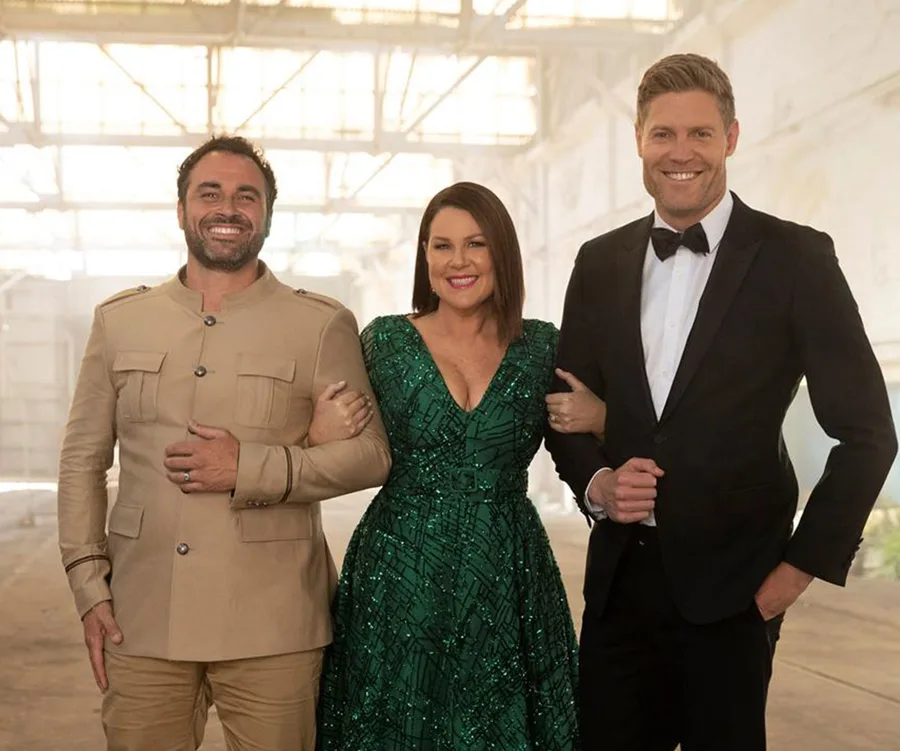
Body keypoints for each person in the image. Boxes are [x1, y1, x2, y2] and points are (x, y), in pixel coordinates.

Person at [545, 53, 898, 751]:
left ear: (732, 137)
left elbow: (868, 432)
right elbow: (565, 412)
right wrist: (597, 481)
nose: (681, 153)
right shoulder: (598, 262)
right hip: (619, 597)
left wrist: (793, 574)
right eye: (663, 134)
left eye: (700, 134)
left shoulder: (796, 259)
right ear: (639, 141)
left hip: (736, 596)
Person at [56, 134, 392, 751]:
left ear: (267, 213)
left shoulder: (318, 324)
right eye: (210, 193)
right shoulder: (120, 320)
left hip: (274, 622)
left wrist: (251, 467)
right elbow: (81, 460)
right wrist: (87, 587)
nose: (228, 207)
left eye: (247, 196)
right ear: (182, 208)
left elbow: (371, 454)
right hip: (142, 613)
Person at [315, 181, 603, 750]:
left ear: (502, 251)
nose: (459, 262)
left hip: (506, 567)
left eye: (475, 244)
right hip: (398, 570)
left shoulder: (542, 346)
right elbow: (342, 441)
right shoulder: (385, 342)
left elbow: (602, 442)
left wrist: (604, 417)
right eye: (441, 246)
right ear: (424, 257)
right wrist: (318, 433)